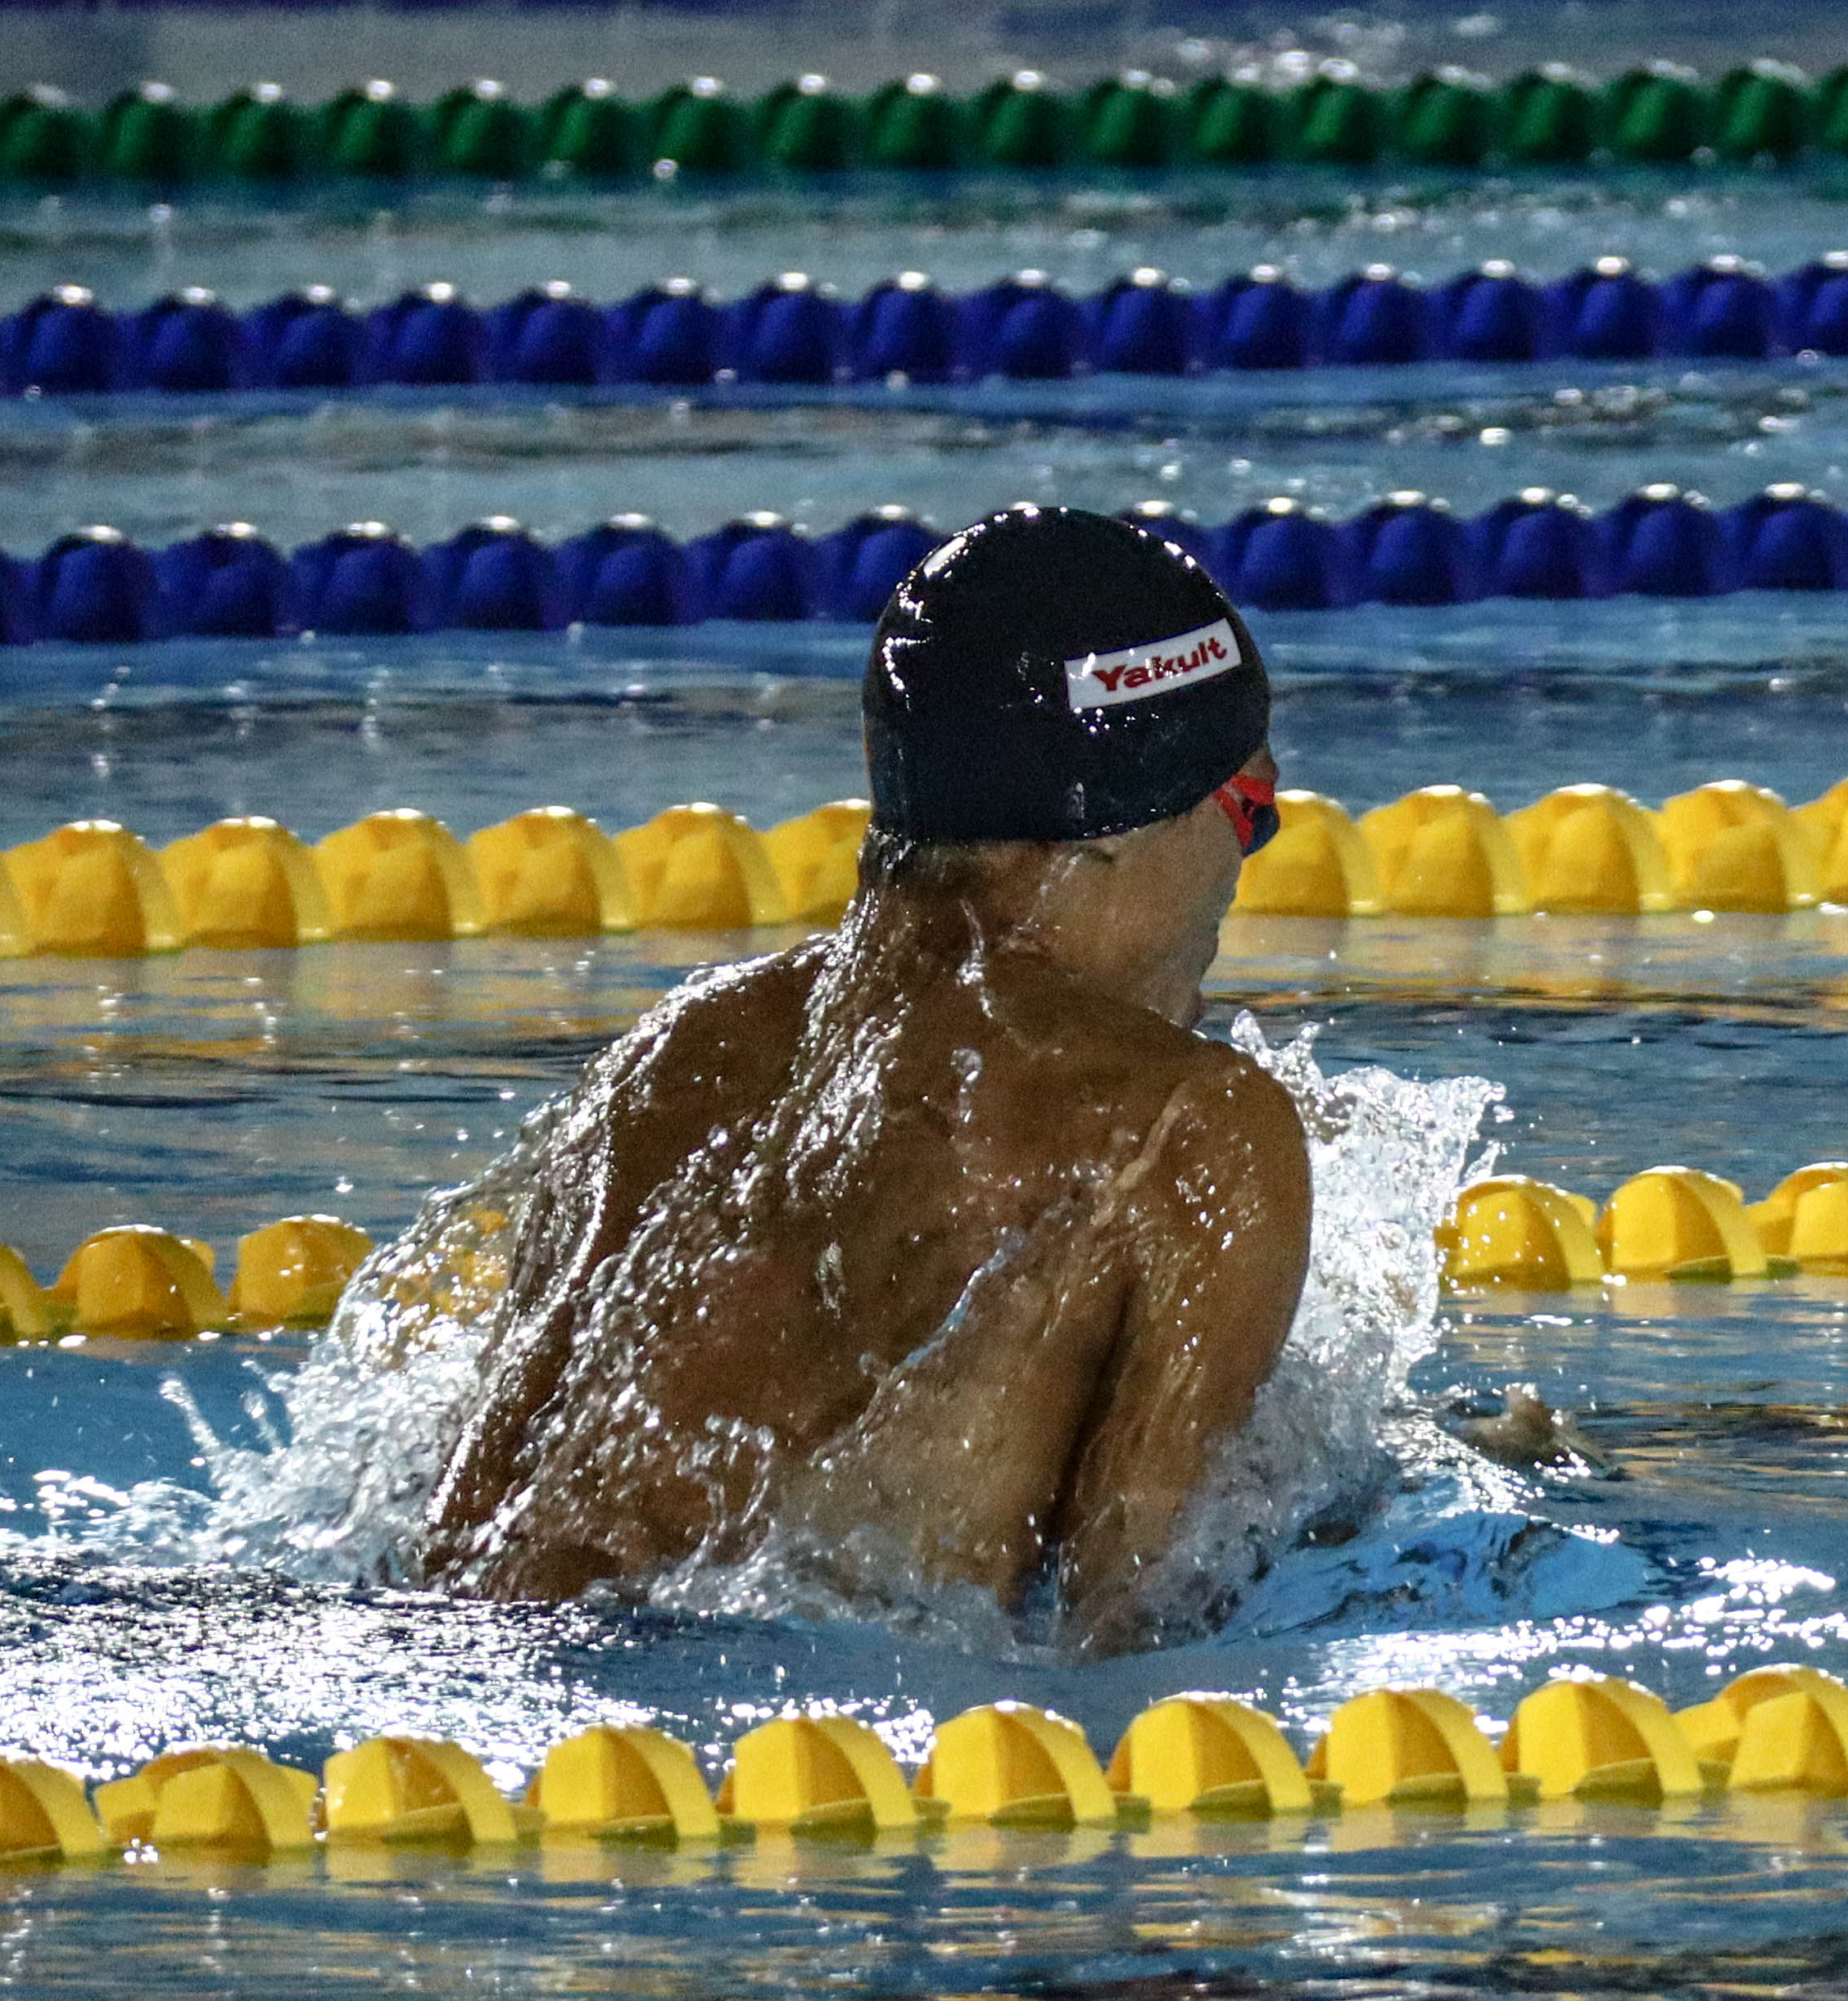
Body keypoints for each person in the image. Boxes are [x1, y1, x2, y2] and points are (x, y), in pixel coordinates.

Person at [424, 505, 1314, 1656]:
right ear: (1110, 825)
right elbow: (1145, 1617)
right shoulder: (1190, 1124)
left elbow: (477, 1548)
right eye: (1252, 815)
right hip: (751, 1758)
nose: (1236, 882)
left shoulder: (674, 1053)